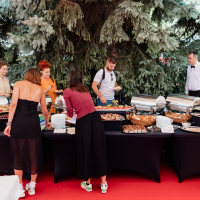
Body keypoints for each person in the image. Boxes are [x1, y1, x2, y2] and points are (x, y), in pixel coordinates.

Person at [4, 68, 51, 198]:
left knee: (17, 153)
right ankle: (32, 186)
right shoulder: (40, 90)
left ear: (27, 75)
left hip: (18, 122)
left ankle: (19, 187)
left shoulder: (19, 84)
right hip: (33, 123)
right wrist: (47, 122)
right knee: (33, 153)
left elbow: (13, 104)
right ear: (37, 77)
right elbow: (45, 111)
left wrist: (8, 124)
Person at [63, 71, 108, 193]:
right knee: (99, 148)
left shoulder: (67, 91)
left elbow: (69, 110)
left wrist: (70, 115)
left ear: (71, 78)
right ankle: (103, 184)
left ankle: (88, 183)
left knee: (85, 149)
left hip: (83, 122)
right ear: (80, 79)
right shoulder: (84, 88)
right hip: (96, 118)